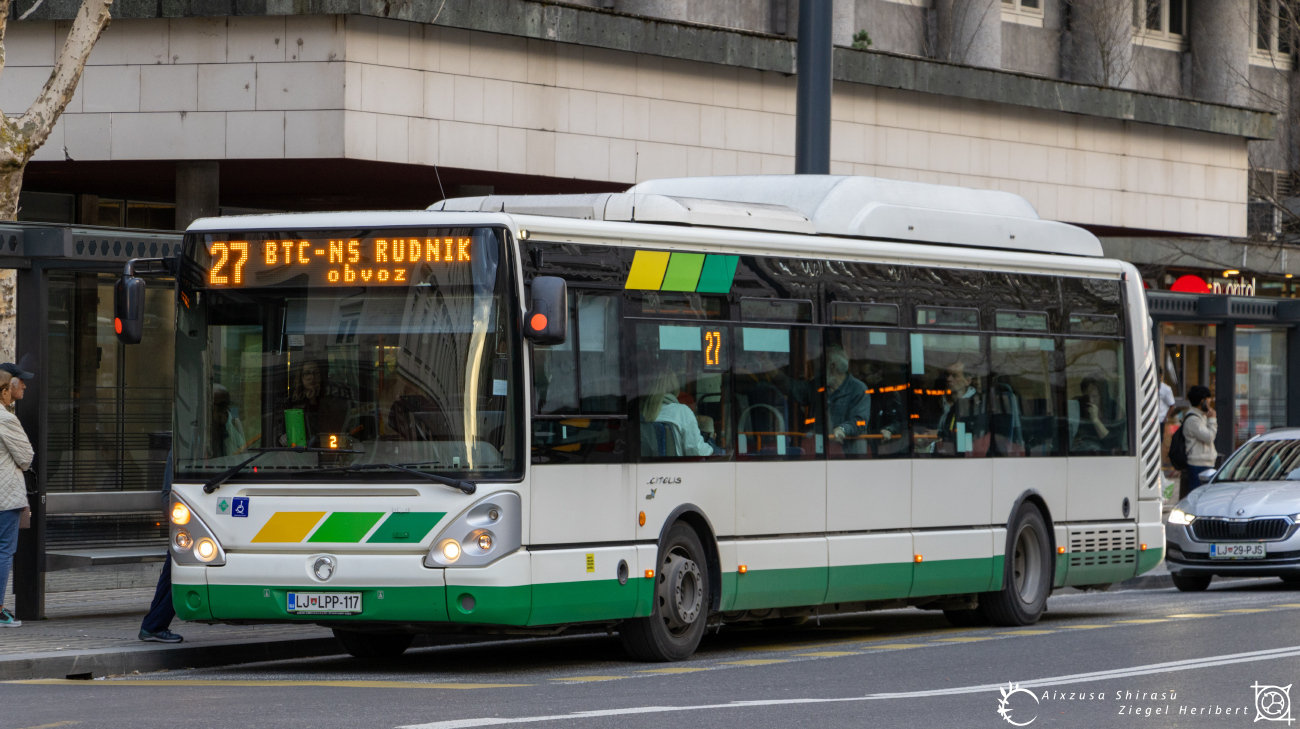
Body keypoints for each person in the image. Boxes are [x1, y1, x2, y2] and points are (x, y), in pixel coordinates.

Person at [0, 363, 34, 628]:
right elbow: (26, 458)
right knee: (4, 551)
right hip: (5, 498)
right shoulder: (6, 419)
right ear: (5, 390)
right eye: (19, 381)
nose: (23, 385)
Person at [139, 450, 182, 643]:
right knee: (174, 576)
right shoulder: (181, 449)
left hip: (186, 525)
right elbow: (167, 494)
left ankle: (152, 626)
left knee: (171, 577)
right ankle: (153, 626)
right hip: (187, 526)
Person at [640, 367, 715, 457]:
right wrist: (711, 442)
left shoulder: (640, 413)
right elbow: (698, 452)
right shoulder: (682, 412)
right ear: (674, 387)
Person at [826, 347, 872, 455]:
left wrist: (843, 429)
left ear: (832, 367)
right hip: (827, 449)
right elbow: (802, 390)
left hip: (852, 452)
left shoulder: (859, 389)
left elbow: (861, 421)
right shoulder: (821, 387)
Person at [1071, 376, 1126, 453]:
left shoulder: (1115, 410)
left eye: (1094, 396)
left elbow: (1114, 443)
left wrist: (1095, 420)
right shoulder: (1079, 406)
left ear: (1103, 395)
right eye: (1087, 396)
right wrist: (1072, 441)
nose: (1090, 401)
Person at [1181, 385, 1218, 495]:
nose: (1210, 402)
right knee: (1197, 496)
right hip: (1198, 464)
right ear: (1203, 401)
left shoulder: (1201, 416)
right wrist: (1212, 419)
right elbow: (1209, 437)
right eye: (1208, 400)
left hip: (1206, 463)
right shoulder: (1193, 420)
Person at [207, 384, 246, 458]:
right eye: (220, 406)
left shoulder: (234, 422)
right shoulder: (204, 428)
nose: (224, 411)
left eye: (226, 405)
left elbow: (244, 454)